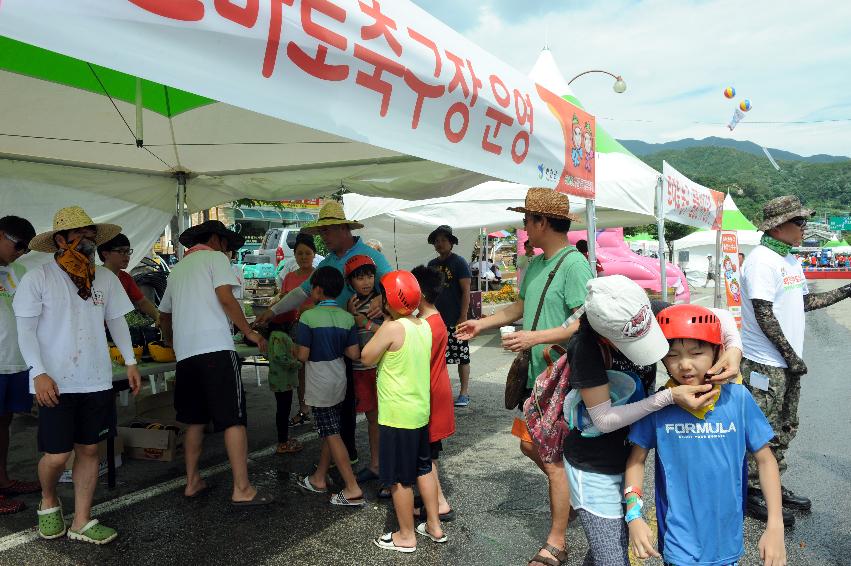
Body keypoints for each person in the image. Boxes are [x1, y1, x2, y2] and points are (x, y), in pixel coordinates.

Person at [456, 188, 593, 566]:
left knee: (551, 459)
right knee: (529, 444)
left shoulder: (573, 265)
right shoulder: (535, 265)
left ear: (542, 222)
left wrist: (535, 337)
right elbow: (521, 304)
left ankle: (557, 542)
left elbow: (586, 320)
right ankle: (576, 493)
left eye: (526, 220)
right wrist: (480, 324)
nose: (523, 227)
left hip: (560, 379)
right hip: (536, 378)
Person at [560, 276, 721, 565]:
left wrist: (732, 350)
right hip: (594, 466)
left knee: (609, 546)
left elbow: (717, 321)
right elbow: (604, 419)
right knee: (613, 556)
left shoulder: (646, 311)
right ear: (605, 336)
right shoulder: (585, 346)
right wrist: (669, 398)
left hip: (628, 457)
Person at [14, 206, 141, 544]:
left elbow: (116, 321)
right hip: (53, 381)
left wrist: (130, 361)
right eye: (80, 234)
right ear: (60, 240)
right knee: (56, 456)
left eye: (90, 234)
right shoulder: (37, 277)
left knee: (89, 451)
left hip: (96, 378)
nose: (87, 239)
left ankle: (82, 519)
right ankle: (49, 499)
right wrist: (38, 373)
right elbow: (24, 332)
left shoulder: (105, 277)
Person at [626, 304, 786, 566]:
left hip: (727, 541)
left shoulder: (738, 399)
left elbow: (766, 460)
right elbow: (635, 460)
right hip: (678, 543)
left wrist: (775, 525)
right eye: (673, 355)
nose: (684, 364)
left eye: (696, 352)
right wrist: (634, 516)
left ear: (717, 352)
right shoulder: (659, 404)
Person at [740, 196, 851, 522]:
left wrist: (846, 291)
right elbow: (763, 313)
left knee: (785, 426)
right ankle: (753, 490)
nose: (804, 228)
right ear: (778, 226)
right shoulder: (762, 261)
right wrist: (790, 357)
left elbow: (803, 302)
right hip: (765, 364)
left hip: (785, 364)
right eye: (799, 222)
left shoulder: (787, 260)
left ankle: (773, 482)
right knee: (761, 429)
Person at [257, 201, 392, 464]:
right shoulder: (328, 261)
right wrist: (273, 311)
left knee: (371, 406)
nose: (324, 238)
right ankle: (348, 455)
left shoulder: (370, 254)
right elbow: (303, 292)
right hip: (339, 343)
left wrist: (382, 299)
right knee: (344, 401)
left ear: (343, 228)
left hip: (366, 342)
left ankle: (376, 463)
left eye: (327, 231)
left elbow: (394, 282)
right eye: (321, 233)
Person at [158, 220, 272, 506]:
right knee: (233, 419)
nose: (228, 250)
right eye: (226, 243)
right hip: (216, 350)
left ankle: (192, 481)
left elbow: (164, 316)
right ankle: (242, 488)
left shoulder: (177, 270)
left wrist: (172, 341)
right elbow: (226, 298)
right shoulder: (215, 259)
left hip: (186, 356)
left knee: (193, 421)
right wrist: (248, 331)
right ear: (215, 240)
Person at [361, 270, 445, 553]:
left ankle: (406, 536)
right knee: (423, 469)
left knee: (399, 478)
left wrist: (383, 322)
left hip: (397, 416)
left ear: (389, 300)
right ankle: (434, 526)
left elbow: (366, 356)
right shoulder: (422, 324)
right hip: (420, 413)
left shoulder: (392, 328)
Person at [293, 266, 365, 506]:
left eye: (312, 287)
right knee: (329, 429)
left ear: (318, 290)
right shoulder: (346, 318)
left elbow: (302, 355)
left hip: (319, 382)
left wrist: (288, 347)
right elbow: (354, 353)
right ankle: (319, 478)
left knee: (332, 433)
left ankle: (352, 487)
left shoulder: (308, 317)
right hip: (339, 379)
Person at [0, 216, 40, 514]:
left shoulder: (20, 271)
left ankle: (3, 480)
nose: (22, 252)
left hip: (14, 362)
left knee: (5, 423)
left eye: (26, 248)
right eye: (19, 245)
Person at [411, 265, 456, 523]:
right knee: (429, 453)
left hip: (429, 396)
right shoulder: (434, 319)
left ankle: (439, 503)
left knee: (426, 455)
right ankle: (435, 500)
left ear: (420, 293)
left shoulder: (425, 325)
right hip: (436, 393)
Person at [270, 233, 318, 430]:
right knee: (300, 370)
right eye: (300, 253)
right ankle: (304, 410)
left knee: (316, 369)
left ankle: (321, 410)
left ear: (314, 254)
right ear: (295, 256)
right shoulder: (289, 276)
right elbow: (283, 301)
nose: (304, 257)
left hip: (315, 328)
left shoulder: (318, 276)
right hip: (294, 328)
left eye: (307, 253)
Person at [343, 255, 383, 484]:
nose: (366, 281)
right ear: (350, 282)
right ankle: (376, 464)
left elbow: (391, 332)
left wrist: (364, 323)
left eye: (369, 276)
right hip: (359, 369)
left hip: (379, 368)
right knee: (371, 418)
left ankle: (383, 465)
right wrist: (351, 316)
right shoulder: (351, 304)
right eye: (359, 278)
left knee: (381, 418)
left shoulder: (380, 302)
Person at [427, 225, 473, 407]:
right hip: (436, 319)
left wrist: (463, 316)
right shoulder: (431, 265)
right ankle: (441, 393)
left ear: (451, 243)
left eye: (443, 240)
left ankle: (464, 393)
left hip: (456, 318)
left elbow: (466, 291)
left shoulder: (459, 262)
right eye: (437, 241)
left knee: (462, 356)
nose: (440, 244)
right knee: (438, 358)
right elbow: (428, 291)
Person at [97, 233, 160, 325]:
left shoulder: (126, 278)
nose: (126, 256)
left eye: (128, 251)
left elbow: (142, 302)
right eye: (121, 251)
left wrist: (158, 317)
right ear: (105, 254)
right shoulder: (95, 277)